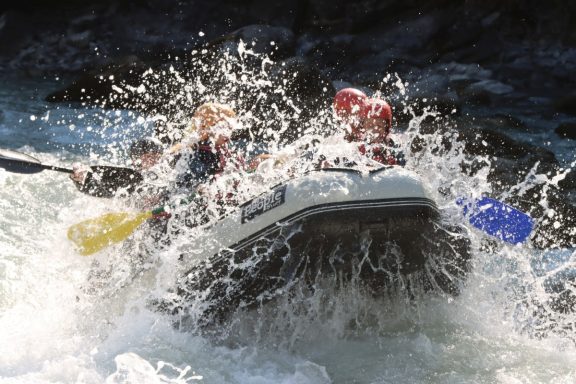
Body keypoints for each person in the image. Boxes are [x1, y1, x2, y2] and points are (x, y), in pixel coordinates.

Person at [70, 137, 166, 200]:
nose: (155, 161)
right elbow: (98, 190)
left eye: (158, 157)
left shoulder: (166, 174)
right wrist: (81, 180)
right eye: (149, 157)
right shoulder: (128, 177)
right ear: (135, 159)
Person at [333, 87, 404, 166]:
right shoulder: (346, 143)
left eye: (379, 125)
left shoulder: (393, 145)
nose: (375, 128)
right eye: (343, 114)